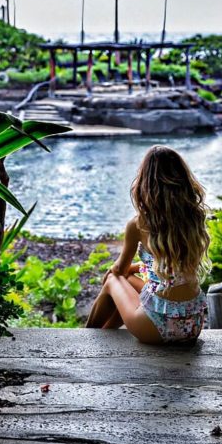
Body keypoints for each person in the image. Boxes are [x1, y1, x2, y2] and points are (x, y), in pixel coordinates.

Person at [85, 145, 210, 345]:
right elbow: (169, 269)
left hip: (156, 328)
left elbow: (119, 269)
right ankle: (103, 333)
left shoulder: (139, 223)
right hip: (192, 326)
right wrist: (134, 269)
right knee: (129, 282)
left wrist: (115, 271)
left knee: (112, 280)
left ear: (146, 183)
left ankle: (85, 336)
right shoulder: (194, 217)